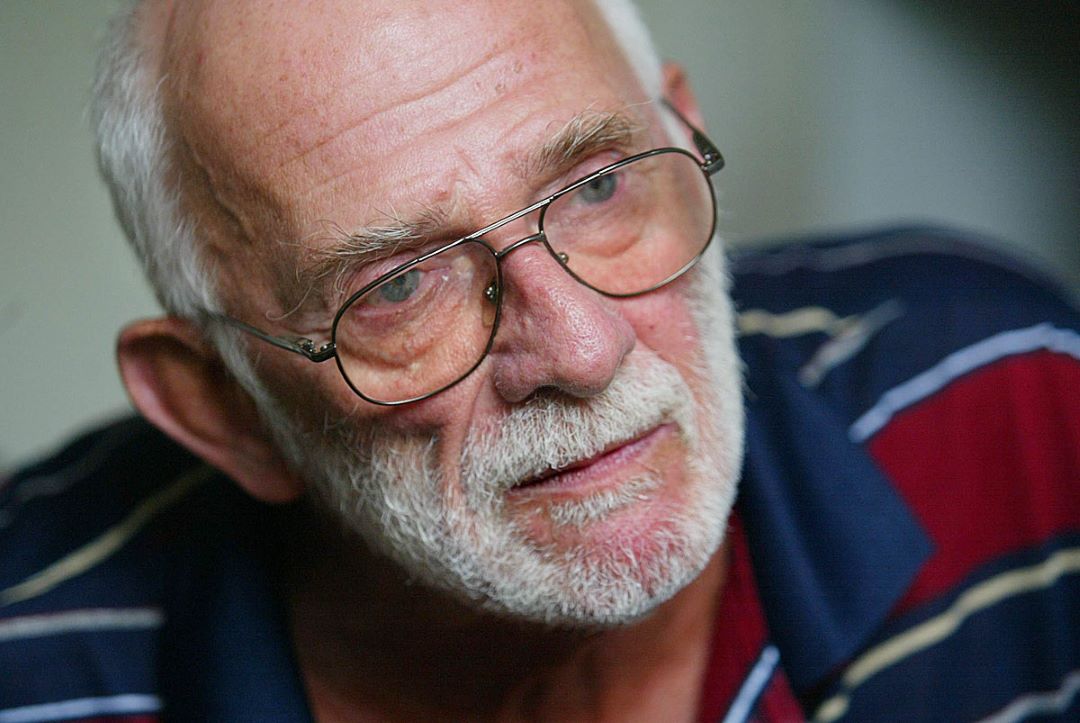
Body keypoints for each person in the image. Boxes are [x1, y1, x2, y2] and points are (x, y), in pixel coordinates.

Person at [1, 1, 1077, 721]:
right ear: (224, 409)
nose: (583, 348)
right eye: (398, 286)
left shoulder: (1013, 396)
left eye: (599, 186)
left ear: (683, 138)